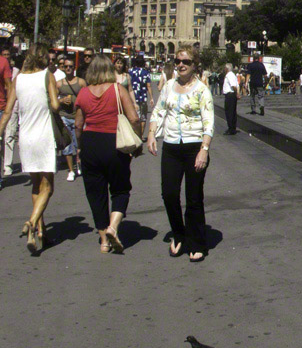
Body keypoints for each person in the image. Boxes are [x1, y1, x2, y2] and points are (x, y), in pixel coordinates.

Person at [147, 47, 215, 262]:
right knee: (168, 194)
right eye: (177, 61)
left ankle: (197, 242)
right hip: (171, 147)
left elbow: (209, 122)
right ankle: (179, 234)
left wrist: (204, 150)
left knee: (193, 198)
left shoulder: (202, 90)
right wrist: (151, 134)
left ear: (194, 65)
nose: (180, 64)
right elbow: (158, 111)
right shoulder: (168, 86)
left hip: (195, 147)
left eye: (185, 61)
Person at [74, 55, 142, 254]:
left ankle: (104, 240)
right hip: (115, 144)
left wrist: (80, 146)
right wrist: (137, 141)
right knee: (120, 189)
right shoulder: (117, 89)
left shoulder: (84, 93)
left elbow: (78, 125)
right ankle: (113, 226)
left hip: (91, 144)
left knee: (96, 193)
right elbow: (134, 119)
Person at [0, 46, 60, 254]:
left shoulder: (19, 79)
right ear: (44, 58)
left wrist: (0, 131)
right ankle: (32, 222)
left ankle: (41, 232)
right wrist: (60, 100)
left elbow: (8, 111)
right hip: (44, 135)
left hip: (25, 137)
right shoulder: (47, 76)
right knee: (48, 187)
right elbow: (54, 105)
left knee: (36, 185)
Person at [57, 56, 86, 180]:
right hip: (64, 116)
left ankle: (79, 164)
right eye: (66, 67)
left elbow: (87, 98)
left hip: (77, 117)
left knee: (78, 143)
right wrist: (61, 100)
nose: (68, 69)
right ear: (63, 68)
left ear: (74, 68)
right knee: (67, 145)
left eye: (70, 66)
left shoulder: (81, 82)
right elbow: (53, 101)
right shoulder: (59, 84)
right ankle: (70, 170)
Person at [0, 45, 16, 179]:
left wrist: (9, 108)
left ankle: (5, 168)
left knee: (4, 140)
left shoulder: (3, 62)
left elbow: (9, 86)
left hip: (0, 107)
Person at [129, 54, 151, 122]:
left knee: (135, 117)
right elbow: (148, 86)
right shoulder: (146, 73)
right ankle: (141, 132)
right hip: (143, 97)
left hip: (133, 97)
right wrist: (151, 97)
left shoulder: (130, 72)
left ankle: (136, 132)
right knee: (143, 117)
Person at [221, 63, 240, 135]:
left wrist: (236, 93)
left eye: (224, 68)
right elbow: (237, 85)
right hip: (232, 95)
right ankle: (232, 127)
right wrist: (237, 93)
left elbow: (233, 86)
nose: (224, 69)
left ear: (227, 68)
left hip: (230, 95)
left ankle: (231, 128)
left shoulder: (229, 75)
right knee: (232, 112)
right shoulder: (233, 75)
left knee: (229, 112)